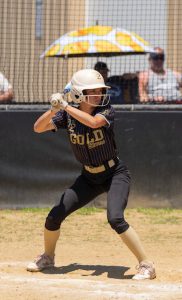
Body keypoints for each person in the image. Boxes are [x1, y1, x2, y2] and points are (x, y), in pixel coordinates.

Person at [27, 69, 156, 280]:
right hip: (88, 177)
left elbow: (93, 123)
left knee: (115, 218)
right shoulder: (67, 115)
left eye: (99, 90)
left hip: (115, 172)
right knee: (54, 216)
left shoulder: (106, 110)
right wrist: (53, 109)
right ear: (78, 93)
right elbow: (37, 128)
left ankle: (147, 265)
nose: (98, 94)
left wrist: (66, 106)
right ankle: (48, 257)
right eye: (92, 91)